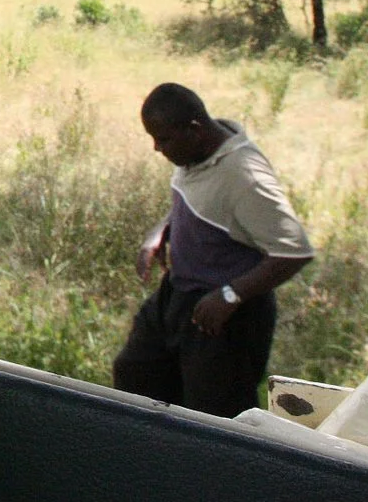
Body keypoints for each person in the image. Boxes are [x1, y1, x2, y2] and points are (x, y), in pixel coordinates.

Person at [111, 82, 314, 418]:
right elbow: (201, 198)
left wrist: (231, 295)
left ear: (195, 130)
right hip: (178, 294)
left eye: (163, 139)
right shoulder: (197, 153)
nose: (157, 148)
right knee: (137, 376)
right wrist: (161, 231)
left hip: (222, 315)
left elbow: (294, 251)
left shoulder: (245, 175)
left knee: (214, 416)